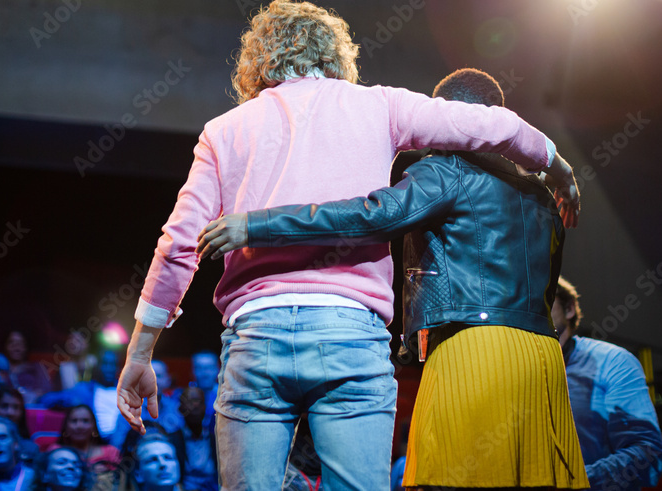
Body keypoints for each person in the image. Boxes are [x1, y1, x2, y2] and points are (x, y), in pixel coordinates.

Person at [117, 0, 581, 491]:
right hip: (350, 334)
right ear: (335, 55)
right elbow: (494, 126)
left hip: (258, 335)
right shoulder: (380, 105)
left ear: (258, 60)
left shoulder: (223, 132)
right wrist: (560, 169)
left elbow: (177, 245)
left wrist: (141, 353)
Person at [198, 68, 588, 489]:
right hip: (541, 357)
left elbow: (372, 216)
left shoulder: (445, 171)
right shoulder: (544, 193)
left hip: (475, 347)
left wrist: (259, 225)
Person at [552, 277, 662, 490]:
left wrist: (575, 483)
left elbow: (646, 452)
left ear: (569, 309)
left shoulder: (614, 361)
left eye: (544, 299)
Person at [43, 350, 122, 440]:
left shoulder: (127, 392)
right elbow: (48, 399)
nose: (109, 369)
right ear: (97, 366)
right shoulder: (85, 390)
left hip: (122, 441)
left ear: (118, 368)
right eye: (105, 364)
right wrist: (74, 402)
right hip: (95, 441)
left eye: (113, 364)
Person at [52, 405, 121, 476]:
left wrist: (108, 472)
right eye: (74, 421)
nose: (79, 426)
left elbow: (123, 479)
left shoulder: (111, 452)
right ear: (66, 426)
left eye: (85, 421)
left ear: (94, 426)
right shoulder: (55, 451)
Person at [4, 331, 54, 406]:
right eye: (11, 342)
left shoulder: (37, 367)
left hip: (32, 408)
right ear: (5, 346)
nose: (16, 347)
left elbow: (46, 391)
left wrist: (31, 396)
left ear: (26, 347)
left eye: (20, 343)